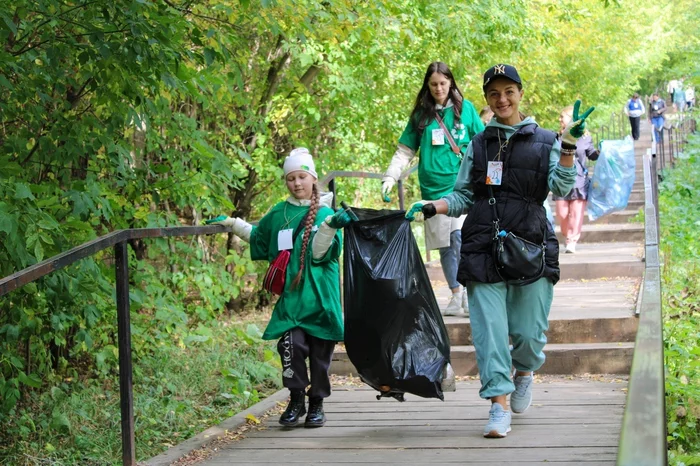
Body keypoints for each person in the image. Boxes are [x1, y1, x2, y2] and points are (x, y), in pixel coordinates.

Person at [404, 64, 592, 438]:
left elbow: (560, 183)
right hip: (482, 243)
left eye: (509, 91)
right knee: (489, 331)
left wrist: (569, 145)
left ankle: (524, 371)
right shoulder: (479, 143)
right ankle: (498, 405)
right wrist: (433, 206)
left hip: (530, 242)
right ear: (486, 99)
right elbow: (462, 195)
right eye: (494, 93)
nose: (502, 99)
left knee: (528, 334)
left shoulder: (544, 140)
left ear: (521, 93)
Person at [205, 148, 354, 428]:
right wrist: (232, 223)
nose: (296, 183)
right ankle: (296, 397)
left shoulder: (326, 213)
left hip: (321, 298)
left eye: (302, 177)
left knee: (321, 356)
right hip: (293, 300)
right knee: (290, 344)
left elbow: (321, 255)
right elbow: (260, 238)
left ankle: (317, 404)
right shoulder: (278, 212)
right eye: (290, 178)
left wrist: (330, 226)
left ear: (313, 178)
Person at [381, 61, 484, 317]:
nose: (439, 88)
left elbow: (483, 143)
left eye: (443, 83)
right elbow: (405, 150)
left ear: (451, 83)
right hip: (432, 190)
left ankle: (470, 294)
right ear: (428, 86)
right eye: (434, 84)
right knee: (445, 245)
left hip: (462, 189)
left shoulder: (466, 110)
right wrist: (391, 177)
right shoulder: (421, 116)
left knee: (461, 239)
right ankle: (456, 294)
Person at [554, 105, 600, 254]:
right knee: (562, 213)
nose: (560, 120)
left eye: (563, 117)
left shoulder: (585, 138)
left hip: (579, 180)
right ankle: (568, 234)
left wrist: (602, 151)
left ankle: (572, 240)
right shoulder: (557, 137)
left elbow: (592, 154)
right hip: (561, 180)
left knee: (576, 212)